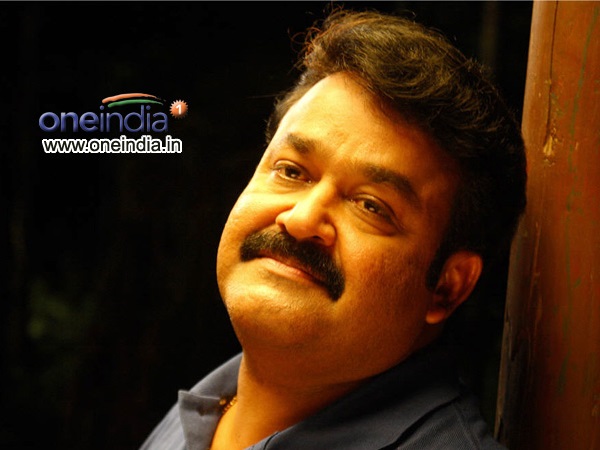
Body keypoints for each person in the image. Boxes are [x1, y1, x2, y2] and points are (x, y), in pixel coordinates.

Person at [140, 7, 526, 450]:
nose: (301, 219)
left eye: (370, 206)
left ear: (446, 287)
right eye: (291, 171)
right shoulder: (203, 410)